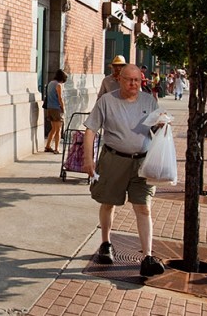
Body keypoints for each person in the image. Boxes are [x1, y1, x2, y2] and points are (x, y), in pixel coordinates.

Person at [82, 64, 166, 277]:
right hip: (113, 161)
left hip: (141, 163)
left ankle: (147, 256)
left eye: (137, 80)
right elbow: (91, 130)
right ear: (119, 79)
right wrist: (88, 159)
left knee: (143, 207)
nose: (133, 84)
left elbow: (157, 127)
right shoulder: (107, 101)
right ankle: (106, 243)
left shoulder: (149, 101)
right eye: (129, 80)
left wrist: (163, 124)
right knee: (108, 203)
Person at [44, 69, 67, 154]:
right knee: (58, 130)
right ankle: (57, 149)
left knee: (53, 129)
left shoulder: (50, 83)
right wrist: (63, 107)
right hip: (57, 108)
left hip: (50, 108)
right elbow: (60, 98)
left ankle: (48, 146)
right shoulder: (58, 85)